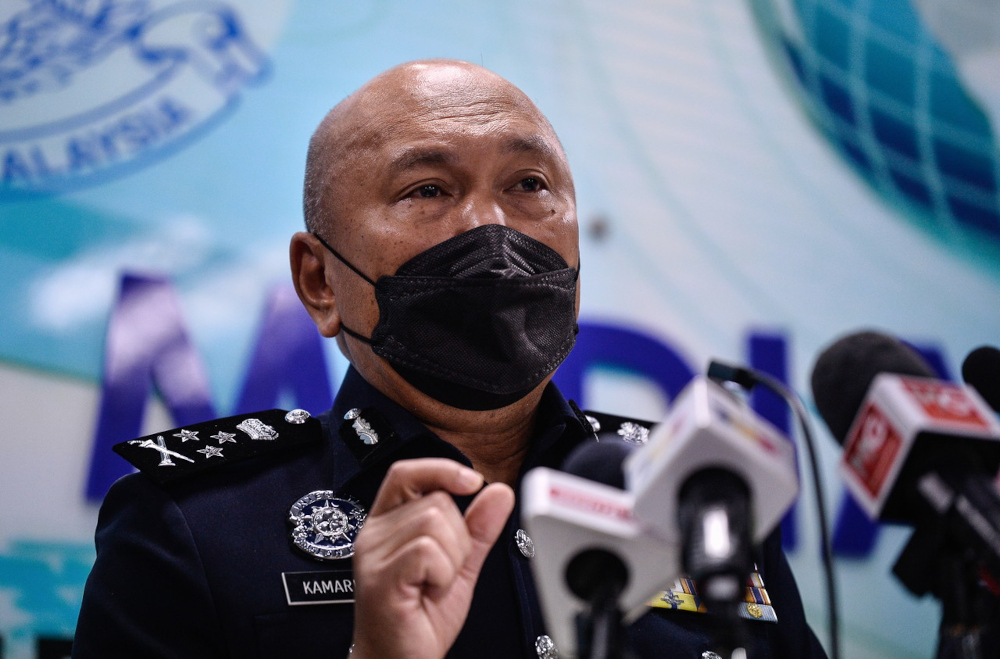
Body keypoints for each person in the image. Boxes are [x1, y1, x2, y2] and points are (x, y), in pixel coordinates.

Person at [72, 59, 827, 659]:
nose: (493, 230)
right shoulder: (192, 525)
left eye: (529, 185)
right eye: (428, 189)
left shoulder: (693, 491)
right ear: (319, 280)